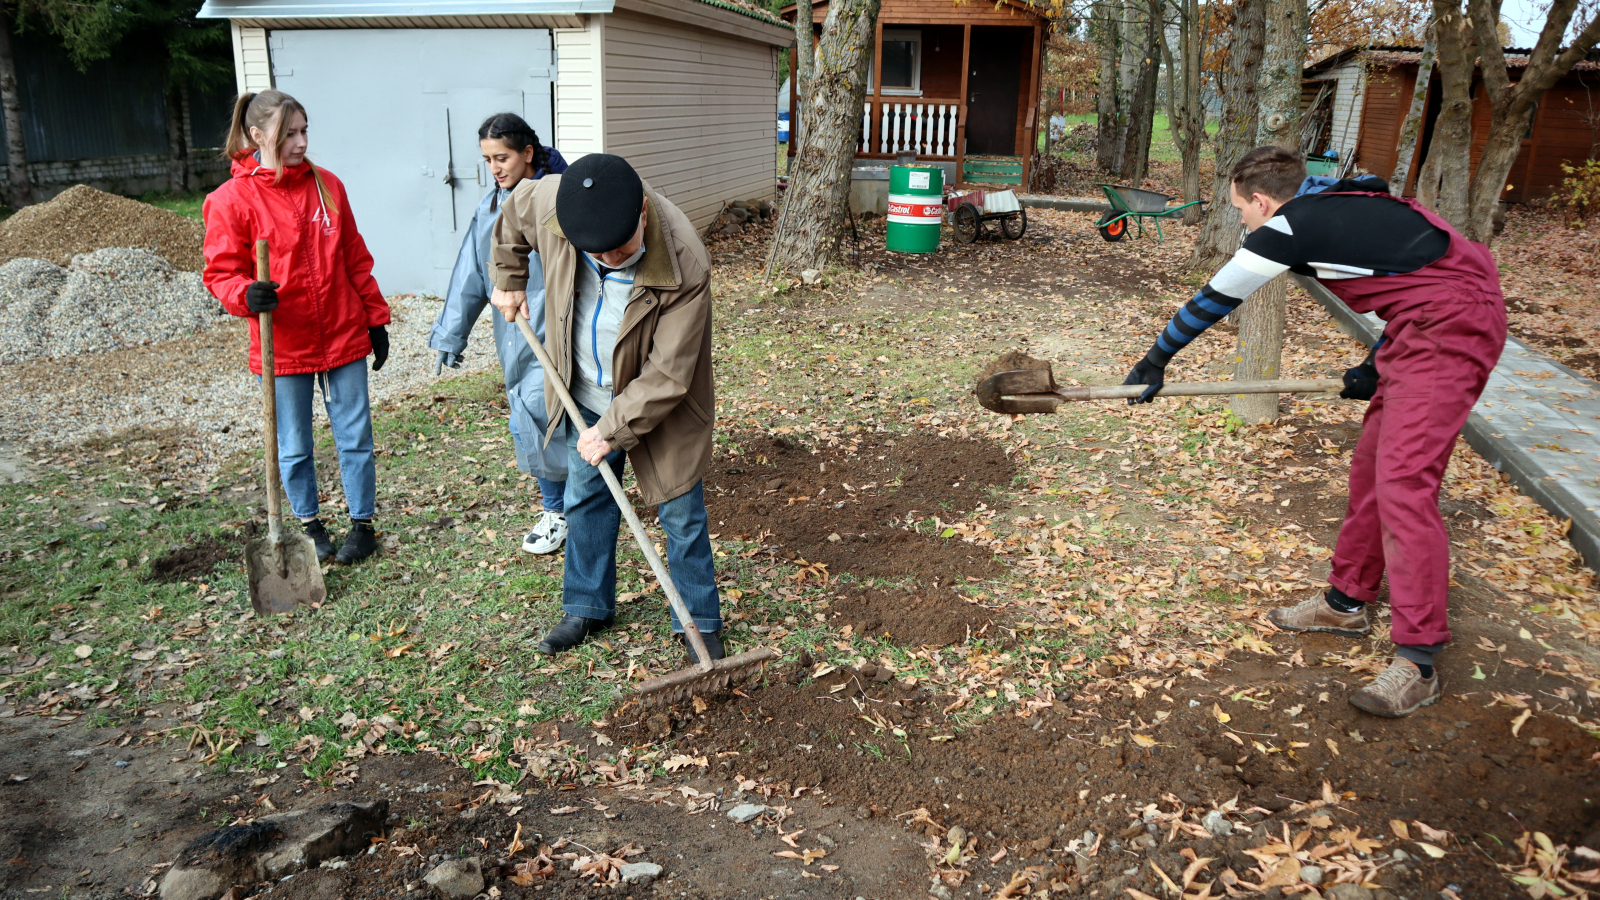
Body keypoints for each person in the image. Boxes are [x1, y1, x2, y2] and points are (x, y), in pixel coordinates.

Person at [1122, 145, 1507, 717]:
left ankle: (1419, 662)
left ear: (1260, 200)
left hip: (1452, 334)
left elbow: (1215, 298)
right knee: (1372, 474)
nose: (1246, 225)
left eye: (1243, 213)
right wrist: (1378, 363)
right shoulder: (1331, 197)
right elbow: (1412, 275)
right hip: (1421, 325)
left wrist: (1156, 359)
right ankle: (1346, 602)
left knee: (1404, 487)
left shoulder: (1289, 226)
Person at [487, 153, 724, 661]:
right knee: (585, 496)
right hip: (585, 390)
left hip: (660, 406)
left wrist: (611, 429)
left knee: (680, 511)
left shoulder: (685, 259)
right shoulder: (553, 201)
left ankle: (699, 623)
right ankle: (587, 606)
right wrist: (508, 276)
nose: (611, 261)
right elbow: (512, 215)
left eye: (620, 250)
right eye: (598, 254)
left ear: (641, 212)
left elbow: (668, 374)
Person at [203, 90, 391, 565]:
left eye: (305, 130)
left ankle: (362, 526)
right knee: (294, 443)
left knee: (355, 436)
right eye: (290, 133)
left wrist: (375, 318)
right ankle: (309, 526)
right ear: (256, 135)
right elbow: (221, 272)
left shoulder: (327, 185)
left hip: (343, 332)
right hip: (283, 342)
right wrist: (244, 293)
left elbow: (353, 256)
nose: (302, 142)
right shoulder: (230, 201)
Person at [430, 113, 570, 554]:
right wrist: (451, 335)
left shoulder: (561, 199)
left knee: (545, 413)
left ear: (528, 153)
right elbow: (472, 273)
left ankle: (563, 511)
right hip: (516, 333)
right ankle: (561, 508)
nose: (495, 167)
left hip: (560, 329)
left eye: (502, 157)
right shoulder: (489, 208)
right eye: (488, 159)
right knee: (529, 415)